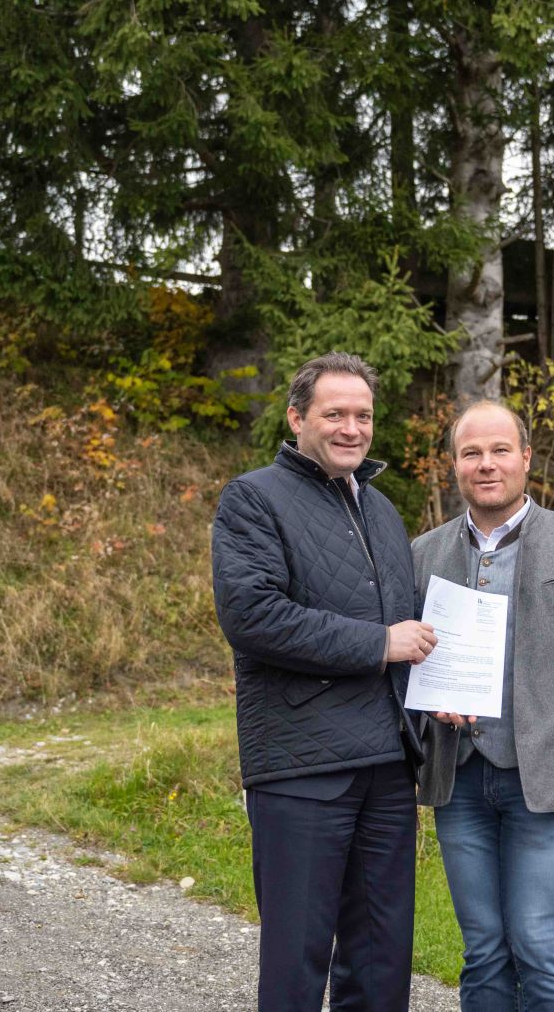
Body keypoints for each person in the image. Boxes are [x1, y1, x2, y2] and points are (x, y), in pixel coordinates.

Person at [211, 352, 438, 1011]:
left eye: (362, 414)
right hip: (302, 766)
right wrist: (379, 643)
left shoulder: (384, 511)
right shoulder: (254, 498)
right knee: (297, 958)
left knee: (383, 956)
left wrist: (440, 696)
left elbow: (411, 631)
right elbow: (253, 617)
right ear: (296, 417)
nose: (351, 427)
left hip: (388, 765)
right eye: (334, 412)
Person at [413, 400, 554, 1012]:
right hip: (457, 778)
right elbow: (406, 660)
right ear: (455, 465)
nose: (485, 465)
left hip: (544, 777)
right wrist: (429, 704)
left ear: (525, 458)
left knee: (540, 943)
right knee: (483, 948)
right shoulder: (421, 554)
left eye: (498, 451)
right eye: (471, 453)